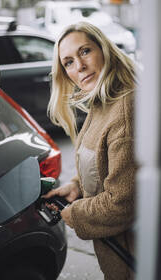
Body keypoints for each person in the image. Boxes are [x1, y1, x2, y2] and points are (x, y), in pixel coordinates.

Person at [43, 21, 138, 280]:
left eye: (85, 51)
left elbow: (123, 204)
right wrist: (76, 186)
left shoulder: (125, 110)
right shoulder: (104, 100)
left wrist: (72, 213)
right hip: (118, 257)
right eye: (69, 62)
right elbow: (106, 163)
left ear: (104, 49)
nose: (79, 66)